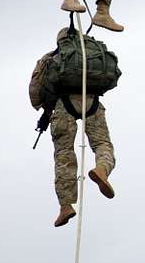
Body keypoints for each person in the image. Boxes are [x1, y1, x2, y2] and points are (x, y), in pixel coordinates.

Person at [29, 32, 116, 228]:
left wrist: (44, 109)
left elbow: (35, 91)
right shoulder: (91, 53)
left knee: (64, 154)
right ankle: (102, 169)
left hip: (63, 105)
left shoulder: (49, 58)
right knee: (102, 143)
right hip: (92, 101)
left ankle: (65, 206)